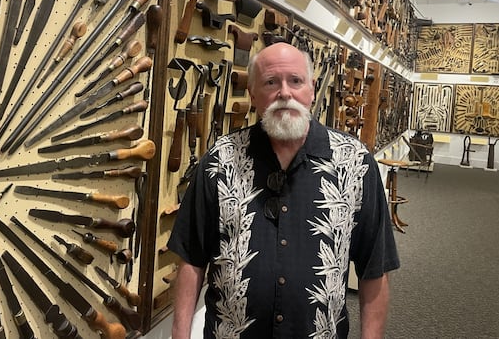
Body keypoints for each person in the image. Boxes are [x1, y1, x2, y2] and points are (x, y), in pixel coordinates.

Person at [168, 42, 400, 338]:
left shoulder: (355, 162)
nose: (285, 93)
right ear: (253, 94)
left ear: (312, 89)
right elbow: (191, 257)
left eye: (295, 81)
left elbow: (375, 266)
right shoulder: (220, 160)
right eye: (270, 82)